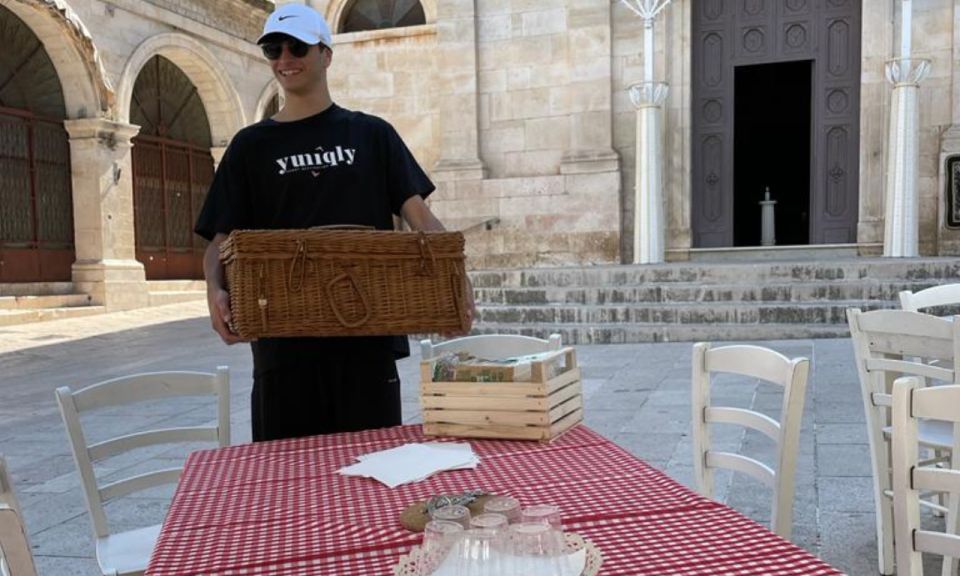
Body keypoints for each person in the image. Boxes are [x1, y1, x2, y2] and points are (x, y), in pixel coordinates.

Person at [194, 3, 473, 442]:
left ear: (326, 53)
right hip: (282, 347)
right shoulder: (250, 147)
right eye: (273, 49)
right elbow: (220, 238)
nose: (284, 59)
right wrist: (215, 290)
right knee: (289, 483)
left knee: (377, 474)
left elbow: (419, 217)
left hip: (367, 341)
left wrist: (456, 282)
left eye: (297, 47)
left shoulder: (372, 135)